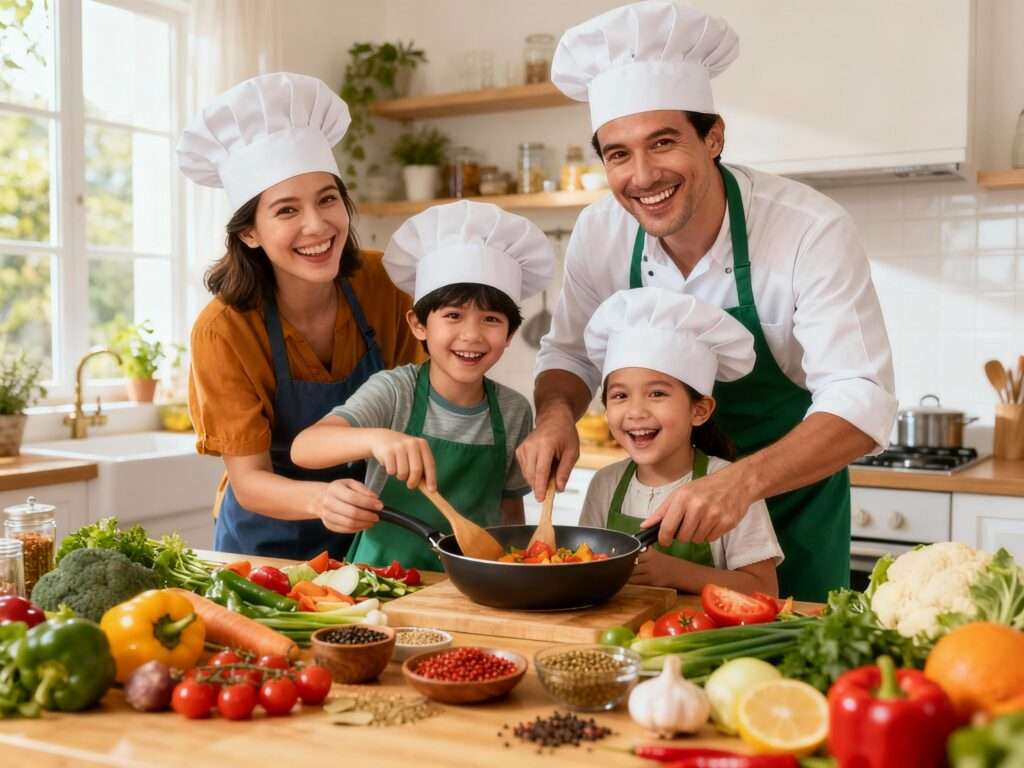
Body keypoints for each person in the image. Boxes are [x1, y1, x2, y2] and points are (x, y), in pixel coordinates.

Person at [517, 1, 897, 601]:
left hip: (788, 507)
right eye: (618, 153)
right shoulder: (600, 231)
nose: (641, 176)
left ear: (713, 137)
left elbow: (863, 399)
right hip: (654, 542)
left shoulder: (807, 229)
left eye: (662, 142)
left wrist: (739, 485)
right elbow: (568, 353)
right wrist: (556, 415)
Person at [178, 72, 422, 560]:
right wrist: (322, 499)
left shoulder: (384, 282)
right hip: (267, 548)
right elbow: (249, 481)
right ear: (249, 233)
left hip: (374, 533)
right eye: (287, 210)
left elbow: (422, 400)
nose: (317, 226)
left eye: (328, 199)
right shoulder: (223, 330)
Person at [290, 201, 553, 571]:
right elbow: (305, 447)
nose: (472, 335)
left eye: (491, 319)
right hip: (381, 579)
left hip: (467, 584)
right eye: (453, 316)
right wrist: (377, 438)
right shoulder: (395, 391)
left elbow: (509, 510)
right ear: (418, 325)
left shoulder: (513, 410)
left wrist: (515, 569)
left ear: (510, 334)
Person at [579, 287, 781, 595]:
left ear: (699, 411)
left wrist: (674, 573)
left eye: (657, 393)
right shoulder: (605, 484)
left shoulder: (728, 485)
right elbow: (587, 568)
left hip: (703, 639)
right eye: (620, 395)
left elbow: (764, 590)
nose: (635, 411)